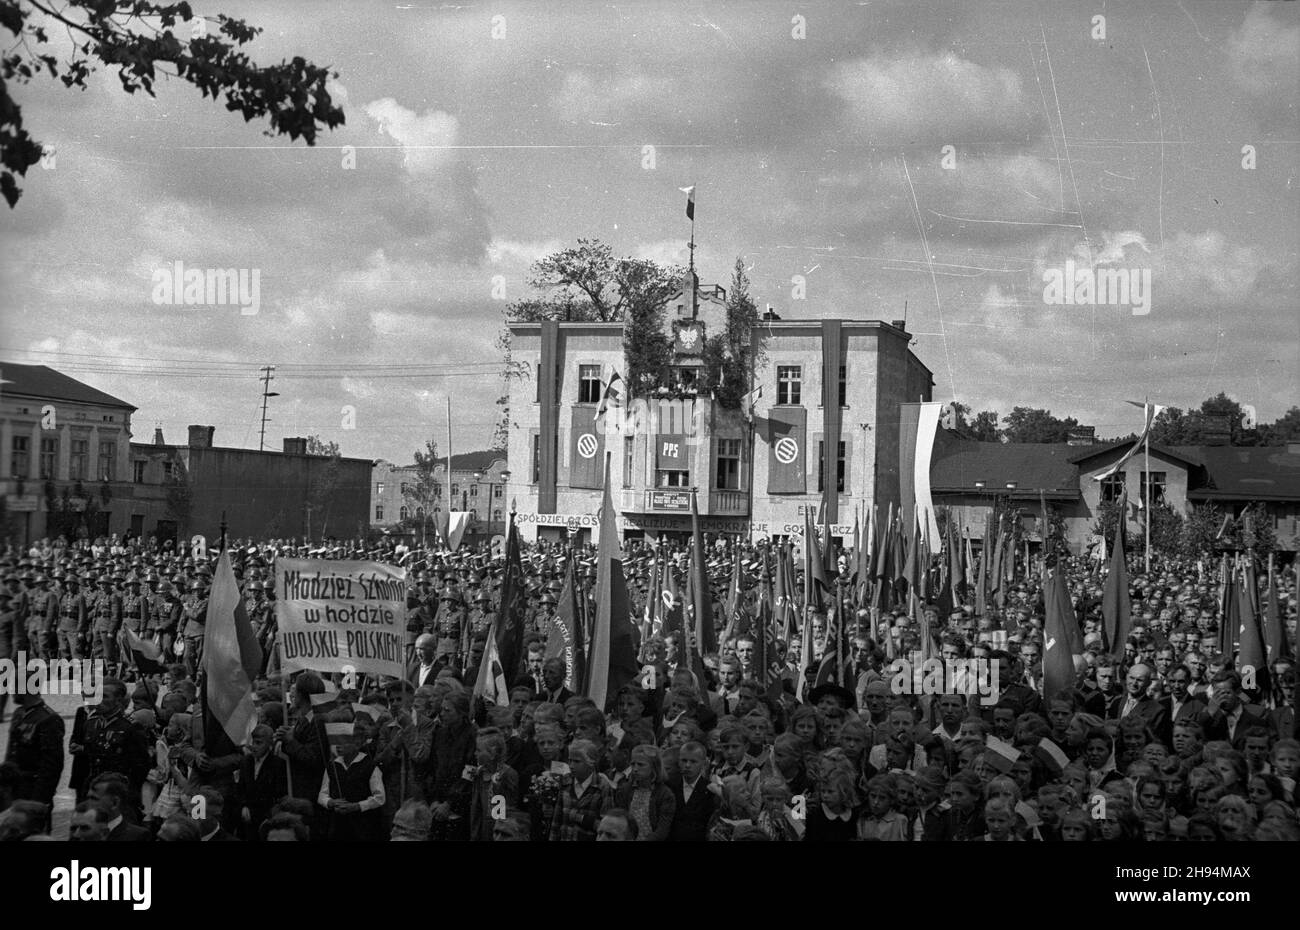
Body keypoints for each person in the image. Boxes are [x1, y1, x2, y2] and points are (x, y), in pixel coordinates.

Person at [4, 690, 65, 826]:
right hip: (15, 791)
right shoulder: (19, 714)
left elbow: (52, 766)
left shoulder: (48, 719)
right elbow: (11, 754)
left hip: (33, 792)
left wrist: (40, 800)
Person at [611, 744, 675, 841]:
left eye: (641, 764)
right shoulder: (625, 789)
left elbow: (663, 829)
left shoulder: (665, 794)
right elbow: (619, 819)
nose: (635, 769)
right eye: (633, 764)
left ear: (654, 767)